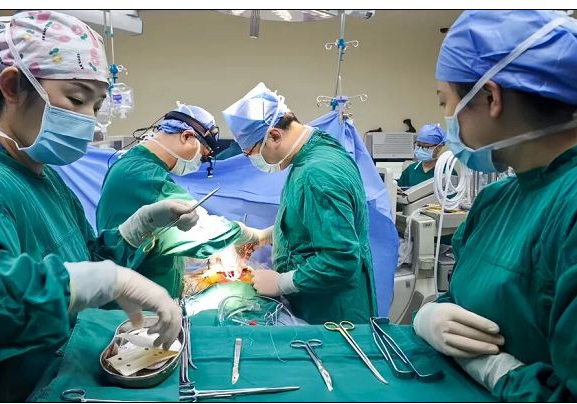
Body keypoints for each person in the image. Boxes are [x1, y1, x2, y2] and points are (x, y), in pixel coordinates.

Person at [0, 11, 196, 401]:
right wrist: (103, 281)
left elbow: (82, 258)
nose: (91, 123)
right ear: (12, 86)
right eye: (76, 99)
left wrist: (139, 226)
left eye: (95, 106)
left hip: (60, 377)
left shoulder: (44, 176)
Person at [412, 10, 577, 401]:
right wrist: (431, 314)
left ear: (491, 98)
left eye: (446, 102)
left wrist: (497, 370)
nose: (447, 119)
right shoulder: (495, 200)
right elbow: (465, 302)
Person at [221, 82, 377, 324]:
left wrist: (281, 282)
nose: (253, 159)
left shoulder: (317, 173)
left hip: (333, 314)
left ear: (274, 136)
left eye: (251, 152)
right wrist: (266, 236)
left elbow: (341, 259)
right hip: (322, 301)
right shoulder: (317, 150)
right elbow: (312, 220)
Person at [97, 103, 266, 297]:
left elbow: (161, 235)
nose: (199, 163)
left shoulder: (135, 165)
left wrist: (203, 256)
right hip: (135, 302)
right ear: (186, 136)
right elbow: (201, 227)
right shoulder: (142, 174)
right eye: (202, 156)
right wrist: (255, 236)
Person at [397, 123, 451, 188]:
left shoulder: (447, 171)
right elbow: (400, 191)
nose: (420, 149)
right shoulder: (410, 170)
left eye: (426, 146)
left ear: (439, 147)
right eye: (418, 145)